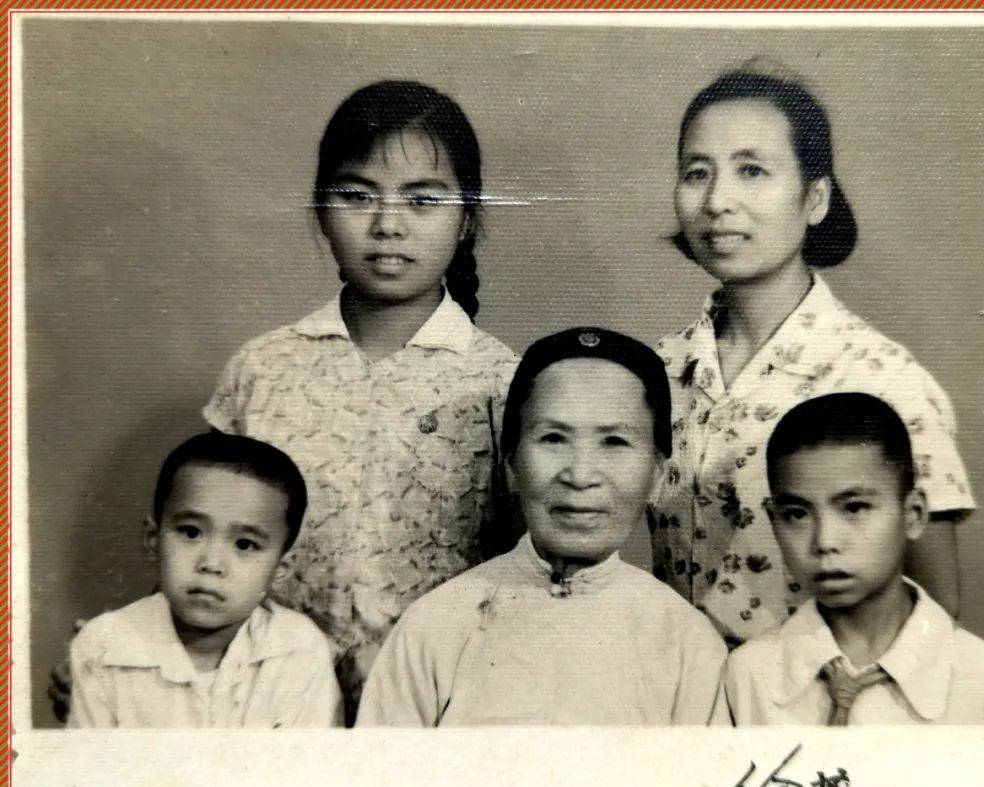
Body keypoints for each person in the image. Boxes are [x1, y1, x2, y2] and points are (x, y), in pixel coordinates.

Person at [201, 81, 519, 720]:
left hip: (439, 702)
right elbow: (205, 539)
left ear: (467, 219)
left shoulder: (503, 382)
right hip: (266, 701)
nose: (388, 225)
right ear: (322, 211)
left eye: (423, 200)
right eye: (357, 196)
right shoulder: (262, 370)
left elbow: (526, 572)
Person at [649, 63, 974, 649]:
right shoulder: (658, 371)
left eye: (752, 171)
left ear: (815, 198)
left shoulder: (882, 379)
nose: (718, 200)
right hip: (672, 693)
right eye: (697, 173)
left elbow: (936, 610)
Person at [357, 328, 730, 726]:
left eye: (614, 442)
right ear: (511, 465)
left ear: (658, 475)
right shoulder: (433, 626)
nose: (580, 475)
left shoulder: (687, 643)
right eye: (553, 438)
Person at [723, 394, 984, 725]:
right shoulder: (747, 675)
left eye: (854, 508)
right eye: (797, 514)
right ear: (773, 521)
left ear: (913, 514)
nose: (825, 542)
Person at [67, 432, 342, 728]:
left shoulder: (299, 650)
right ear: (153, 539)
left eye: (245, 544)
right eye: (191, 532)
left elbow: (311, 757)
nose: (211, 564)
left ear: (280, 568)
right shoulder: (101, 647)